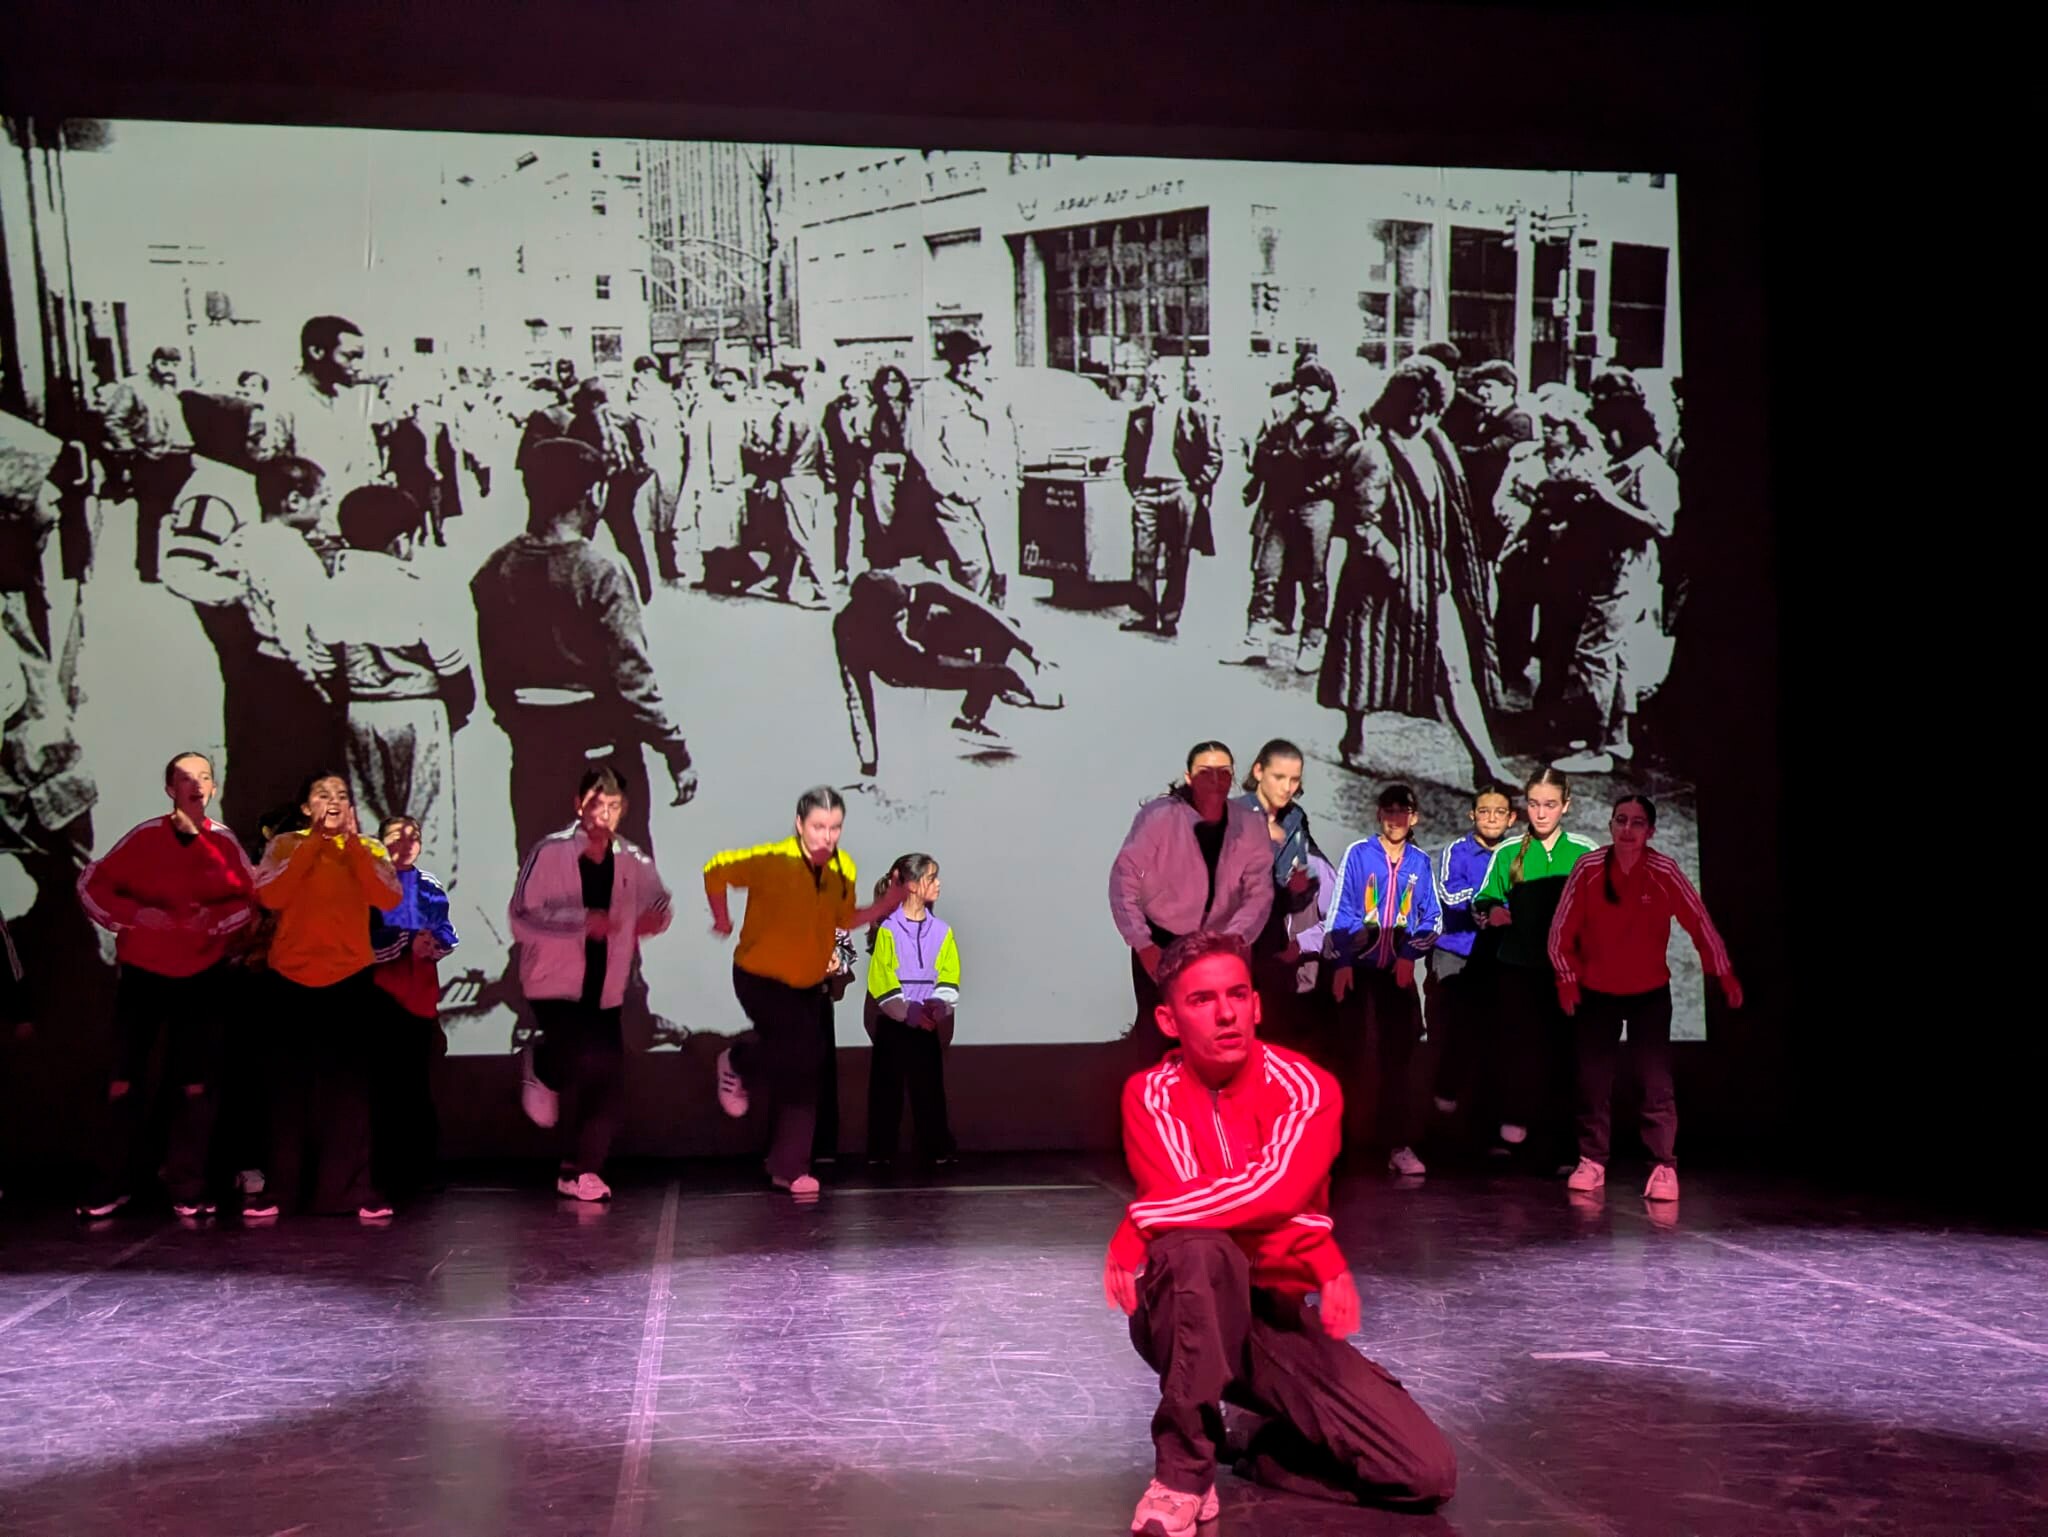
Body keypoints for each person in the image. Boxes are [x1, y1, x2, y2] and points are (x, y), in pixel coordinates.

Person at [1104, 931, 1457, 1535]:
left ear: (1257, 1005)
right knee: (1198, 1251)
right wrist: (1282, 1228)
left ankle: (1260, 1443)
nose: (1225, 1013)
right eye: (1202, 1000)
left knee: (1424, 1472)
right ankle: (1182, 1475)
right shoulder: (1151, 1096)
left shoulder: (1305, 1087)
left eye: (1237, 995)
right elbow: (1195, 1227)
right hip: (1184, 1307)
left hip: (1275, 1317)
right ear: (1168, 1020)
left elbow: (1277, 1196)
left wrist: (1143, 1218)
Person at [471, 437, 698, 861]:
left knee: (543, 867)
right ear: (594, 494)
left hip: (533, 748)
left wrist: (521, 726)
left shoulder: (495, 569)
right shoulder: (600, 571)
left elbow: (494, 677)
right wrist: (675, 750)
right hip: (601, 746)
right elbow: (634, 679)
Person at [74, 752, 259, 1218]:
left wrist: (211, 921)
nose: (195, 786)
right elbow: (90, 884)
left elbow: (251, 900)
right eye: (185, 778)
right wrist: (135, 916)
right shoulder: (145, 837)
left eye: (203, 778)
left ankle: (187, 1186)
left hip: (201, 978)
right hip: (144, 976)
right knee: (122, 1082)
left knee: (195, 1085)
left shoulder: (224, 843)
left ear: (213, 789)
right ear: (170, 789)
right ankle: (110, 1183)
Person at [1318, 360, 1513, 788]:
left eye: (1430, 412)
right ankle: (1353, 733)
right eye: (1417, 411)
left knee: (1455, 670)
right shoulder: (1372, 453)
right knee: (1364, 661)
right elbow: (1359, 522)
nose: (1422, 420)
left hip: (1432, 578)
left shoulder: (1433, 448)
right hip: (1380, 586)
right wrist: (1394, 564)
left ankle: (1486, 764)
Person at [704, 786, 907, 1195]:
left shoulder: (843, 868)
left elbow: (843, 918)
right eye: (818, 827)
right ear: (800, 824)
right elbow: (715, 870)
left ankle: (789, 1167)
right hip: (758, 975)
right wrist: (722, 918)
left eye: (834, 828)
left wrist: (884, 905)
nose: (826, 836)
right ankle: (737, 1060)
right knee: (798, 1048)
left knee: (806, 1068)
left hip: (806, 983)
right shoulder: (772, 860)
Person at [1550, 793, 1740, 1202]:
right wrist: (1566, 978)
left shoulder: (1663, 871)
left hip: (1648, 993)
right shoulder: (1587, 869)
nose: (1627, 829)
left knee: (1655, 1080)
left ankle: (1662, 1167)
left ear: (1650, 831)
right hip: (1596, 992)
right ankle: (1592, 1160)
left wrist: (1722, 972)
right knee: (1593, 1079)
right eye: (1621, 820)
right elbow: (1560, 930)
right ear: (1610, 825)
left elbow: (1699, 922)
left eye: (1637, 822)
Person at [512, 768, 672, 1203]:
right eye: (597, 804)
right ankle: (543, 1063)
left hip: (605, 987)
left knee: (608, 1076)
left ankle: (581, 1170)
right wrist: (581, 923)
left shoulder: (632, 858)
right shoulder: (550, 852)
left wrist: (655, 918)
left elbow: (659, 899)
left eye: (614, 806)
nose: (605, 814)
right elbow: (521, 917)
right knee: (584, 1058)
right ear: (578, 805)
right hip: (554, 984)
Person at [246, 772, 402, 1220]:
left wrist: (351, 844)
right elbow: (271, 895)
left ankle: (352, 1190)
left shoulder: (369, 848)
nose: (333, 801)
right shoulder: (286, 845)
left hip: (349, 979)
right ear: (305, 806)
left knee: (349, 1093)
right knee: (287, 1092)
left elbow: (388, 898)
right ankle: (282, 1190)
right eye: (322, 794)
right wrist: (315, 841)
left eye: (341, 795)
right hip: (290, 978)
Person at [319, 485, 475, 887]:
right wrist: (461, 705)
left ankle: (374, 884)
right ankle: (423, 887)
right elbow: (449, 658)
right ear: (402, 541)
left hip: (360, 708)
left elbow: (322, 659)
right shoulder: (416, 588)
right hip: (419, 706)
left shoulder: (333, 589)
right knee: (425, 808)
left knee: (368, 803)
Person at [1109, 742, 1275, 1060]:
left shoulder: (1250, 824)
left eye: (1223, 772)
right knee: (1159, 1033)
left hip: (1221, 941)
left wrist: (1237, 938)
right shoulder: (1159, 818)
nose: (1215, 780)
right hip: (1162, 939)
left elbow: (1259, 891)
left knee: (1219, 1033)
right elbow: (1123, 880)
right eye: (1205, 772)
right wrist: (1142, 943)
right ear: (1189, 777)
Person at [1550, 368, 1679, 774]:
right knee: (1616, 651)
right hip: (1612, 565)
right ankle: (1616, 738)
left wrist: (1606, 497)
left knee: (1593, 651)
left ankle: (1596, 746)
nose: (1606, 439)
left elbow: (1661, 525)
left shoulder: (1650, 468)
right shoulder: (1624, 463)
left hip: (1628, 565)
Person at [1472, 768, 1595, 1166]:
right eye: (1534, 804)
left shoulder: (1584, 853)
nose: (1541, 813)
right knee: (1519, 1054)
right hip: (1517, 970)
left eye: (1550, 805)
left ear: (1566, 806)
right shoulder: (1509, 852)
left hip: (1566, 974)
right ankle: (1512, 1138)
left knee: (1564, 1057)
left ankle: (1561, 1147)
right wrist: (1492, 910)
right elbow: (1484, 899)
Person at [833, 562, 1061, 771]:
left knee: (1003, 631)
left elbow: (982, 610)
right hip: (904, 664)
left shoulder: (919, 583)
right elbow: (857, 697)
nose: (901, 618)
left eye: (903, 611)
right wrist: (868, 763)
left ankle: (972, 717)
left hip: (930, 632)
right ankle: (1010, 689)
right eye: (896, 617)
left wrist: (1031, 651)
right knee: (997, 675)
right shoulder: (849, 630)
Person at [1328, 784, 1442, 1177]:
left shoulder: (1420, 863)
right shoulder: (1359, 854)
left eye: (1403, 812)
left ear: (1414, 817)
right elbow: (1341, 910)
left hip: (1397, 973)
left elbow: (1431, 918)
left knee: (1399, 1059)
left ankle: (1398, 1145)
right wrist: (1343, 961)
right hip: (1358, 970)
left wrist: (1409, 955)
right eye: (1389, 811)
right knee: (1350, 1055)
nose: (1395, 819)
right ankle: (1336, 1145)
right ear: (1379, 814)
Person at [1239, 360, 1359, 673]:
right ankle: (1254, 639)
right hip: (1285, 504)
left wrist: (1283, 458)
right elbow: (1262, 457)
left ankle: (1312, 643)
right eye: (1302, 392)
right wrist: (1285, 459)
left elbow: (1318, 458)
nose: (1306, 399)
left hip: (1316, 506)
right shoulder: (1289, 423)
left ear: (1328, 393)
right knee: (1266, 572)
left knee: (1313, 578)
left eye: (1313, 392)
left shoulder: (1339, 427)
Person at [367, 814, 459, 1202]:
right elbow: (365, 943)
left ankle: (418, 1169)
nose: (405, 844)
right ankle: (382, 1171)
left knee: (416, 1088)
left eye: (413, 837)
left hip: (420, 1000)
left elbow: (446, 933)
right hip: (380, 998)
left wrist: (434, 944)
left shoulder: (429, 886)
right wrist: (406, 941)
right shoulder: (369, 885)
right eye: (395, 837)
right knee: (383, 1089)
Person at [1427, 783, 1518, 1134]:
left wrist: (1500, 910)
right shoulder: (1456, 851)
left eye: (1499, 812)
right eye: (1484, 811)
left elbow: (1524, 895)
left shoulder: (1518, 854)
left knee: (1497, 1036)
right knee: (1454, 1027)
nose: (1491, 818)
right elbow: (1448, 892)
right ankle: (1442, 1114)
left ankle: (1489, 1124)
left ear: (1511, 818)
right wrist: (1483, 904)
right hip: (1457, 951)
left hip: (1498, 954)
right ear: (1472, 815)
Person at [908, 330, 1021, 605]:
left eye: (975, 362)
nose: (969, 369)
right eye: (961, 362)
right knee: (974, 566)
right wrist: (953, 487)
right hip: (957, 498)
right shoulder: (932, 396)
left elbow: (1009, 440)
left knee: (1002, 569)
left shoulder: (993, 396)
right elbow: (923, 447)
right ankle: (971, 626)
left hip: (996, 493)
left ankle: (997, 624)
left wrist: (1013, 478)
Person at [864, 854, 960, 1168]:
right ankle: (881, 1150)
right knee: (886, 1087)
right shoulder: (888, 930)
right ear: (914, 886)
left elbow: (949, 975)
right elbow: (882, 980)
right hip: (895, 1022)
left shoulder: (942, 931)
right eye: (932, 877)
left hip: (926, 1023)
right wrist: (908, 1012)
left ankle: (937, 1146)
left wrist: (938, 1006)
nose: (938, 883)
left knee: (929, 1087)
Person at [1120, 358, 1222, 639]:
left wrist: (1196, 486)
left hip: (1180, 490)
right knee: (1143, 553)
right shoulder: (1140, 415)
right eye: (1154, 378)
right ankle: (1143, 613)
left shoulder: (1195, 414)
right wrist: (1136, 488)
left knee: (1178, 556)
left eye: (1163, 377)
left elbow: (1214, 456)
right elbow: (1129, 456)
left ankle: (1169, 616)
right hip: (1148, 490)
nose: (1158, 383)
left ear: (1178, 381)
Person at [1236, 740, 1329, 1049]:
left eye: (1294, 779)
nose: (1287, 787)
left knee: (1276, 1026)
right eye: (1279, 777)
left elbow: (1299, 876)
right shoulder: (1233, 815)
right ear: (1258, 772)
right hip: (1236, 938)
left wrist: (1302, 887)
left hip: (1276, 936)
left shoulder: (1295, 817)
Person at [98, 345, 194, 584]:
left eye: (174, 365)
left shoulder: (180, 388)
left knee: (181, 513)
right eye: (164, 364)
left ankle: (179, 565)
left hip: (181, 456)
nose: (169, 369)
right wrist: (129, 449)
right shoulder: (133, 387)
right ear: (153, 363)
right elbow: (113, 421)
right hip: (151, 458)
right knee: (150, 514)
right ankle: (147, 568)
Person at [740, 367, 834, 609]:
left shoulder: (784, 416)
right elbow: (826, 450)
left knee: (802, 537)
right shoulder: (810, 413)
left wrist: (757, 450)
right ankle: (784, 583)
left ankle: (823, 590)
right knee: (792, 535)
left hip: (792, 479)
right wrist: (829, 480)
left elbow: (780, 453)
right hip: (812, 479)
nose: (771, 394)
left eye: (774, 389)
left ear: (790, 390)